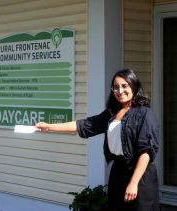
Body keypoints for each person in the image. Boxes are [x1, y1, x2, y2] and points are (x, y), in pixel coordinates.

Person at [36, 69, 159, 211]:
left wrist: (134, 182)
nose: (120, 91)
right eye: (116, 87)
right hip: (118, 171)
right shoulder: (111, 113)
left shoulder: (145, 113)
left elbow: (146, 152)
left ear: (134, 86)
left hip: (140, 176)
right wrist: (49, 127)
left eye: (125, 86)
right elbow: (83, 125)